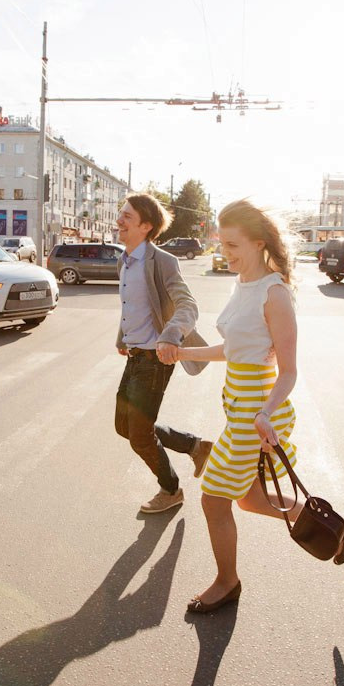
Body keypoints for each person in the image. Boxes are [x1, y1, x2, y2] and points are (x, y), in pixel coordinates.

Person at [173, 200, 344, 614]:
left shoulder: (275, 293)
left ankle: (227, 582)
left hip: (257, 411)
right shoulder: (243, 285)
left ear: (259, 242)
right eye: (222, 245)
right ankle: (338, 528)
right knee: (251, 500)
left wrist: (264, 412)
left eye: (233, 244)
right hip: (240, 405)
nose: (226, 253)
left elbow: (290, 370)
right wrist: (180, 354)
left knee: (213, 498)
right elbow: (234, 349)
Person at [113, 193, 213, 515]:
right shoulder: (124, 261)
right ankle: (194, 446)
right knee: (124, 426)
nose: (119, 220)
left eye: (127, 217)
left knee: (139, 437)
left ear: (146, 226)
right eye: (121, 214)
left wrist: (170, 336)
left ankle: (171, 489)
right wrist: (122, 336)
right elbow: (131, 306)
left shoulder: (163, 262)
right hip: (135, 355)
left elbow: (187, 306)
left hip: (156, 359)